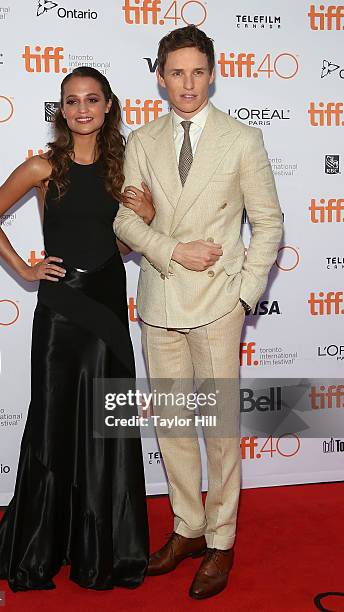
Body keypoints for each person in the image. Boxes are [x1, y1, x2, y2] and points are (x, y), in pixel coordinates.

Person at [114, 25, 283, 600]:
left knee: (218, 430)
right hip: (161, 298)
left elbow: (269, 223)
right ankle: (187, 527)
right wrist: (171, 249)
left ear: (213, 73)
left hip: (217, 303)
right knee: (173, 426)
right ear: (160, 78)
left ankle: (222, 538)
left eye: (197, 71)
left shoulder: (242, 139)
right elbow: (125, 221)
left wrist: (244, 292)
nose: (188, 83)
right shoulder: (141, 140)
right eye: (176, 72)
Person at [0, 67, 153, 592]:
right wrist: (26, 269)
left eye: (92, 100)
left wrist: (146, 218)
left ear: (107, 107)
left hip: (105, 308)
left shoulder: (124, 174)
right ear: (62, 109)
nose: (82, 109)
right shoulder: (42, 167)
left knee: (107, 425)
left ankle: (104, 552)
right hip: (58, 310)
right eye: (72, 101)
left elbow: (119, 246)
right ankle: (38, 549)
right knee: (53, 425)